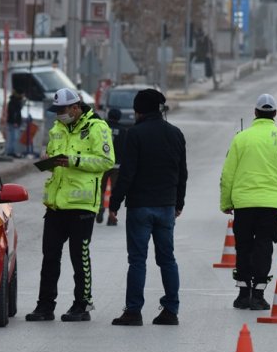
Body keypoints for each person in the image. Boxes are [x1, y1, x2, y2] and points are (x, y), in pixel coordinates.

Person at [25, 88, 115, 323]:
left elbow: (107, 161)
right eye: (56, 111)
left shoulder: (97, 127)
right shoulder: (57, 129)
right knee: (50, 257)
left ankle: (81, 305)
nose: (59, 115)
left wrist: (74, 160)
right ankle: (45, 306)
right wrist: (48, 160)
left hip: (82, 205)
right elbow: (55, 157)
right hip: (56, 204)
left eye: (62, 110)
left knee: (79, 257)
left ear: (76, 108)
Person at [108, 88, 187, 326]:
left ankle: (133, 311)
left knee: (137, 260)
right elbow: (182, 173)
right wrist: (179, 202)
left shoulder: (135, 134)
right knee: (167, 259)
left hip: (140, 206)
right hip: (166, 206)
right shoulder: (176, 134)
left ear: (139, 111)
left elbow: (127, 173)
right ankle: (170, 310)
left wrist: (114, 203)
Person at [220, 93, 277, 311]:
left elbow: (228, 174)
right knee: (264, 246)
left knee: (243, 246)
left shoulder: (241, 138)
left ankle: (243, 294)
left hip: (243, 203)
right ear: (275, 114)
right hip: (271, 204)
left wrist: (226, 202)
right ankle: (259, 295)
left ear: (255, 113)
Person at [97, 108, 127, 226]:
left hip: (102, 164)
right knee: (114, 191)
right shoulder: (124, 131)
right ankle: (111, 216)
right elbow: (126, 149)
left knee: (101, 188)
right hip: (117, 165)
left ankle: (100, 207)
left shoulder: (101, 128)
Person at [5, 89, 25, 157]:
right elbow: (14, 112)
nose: (23, 96)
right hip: (14, 122)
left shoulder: (13, 101)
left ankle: (10, 151)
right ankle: (11, 152)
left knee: (12, 137)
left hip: (13, 122)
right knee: (14, 137)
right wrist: (15, 122)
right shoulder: (15, 102)